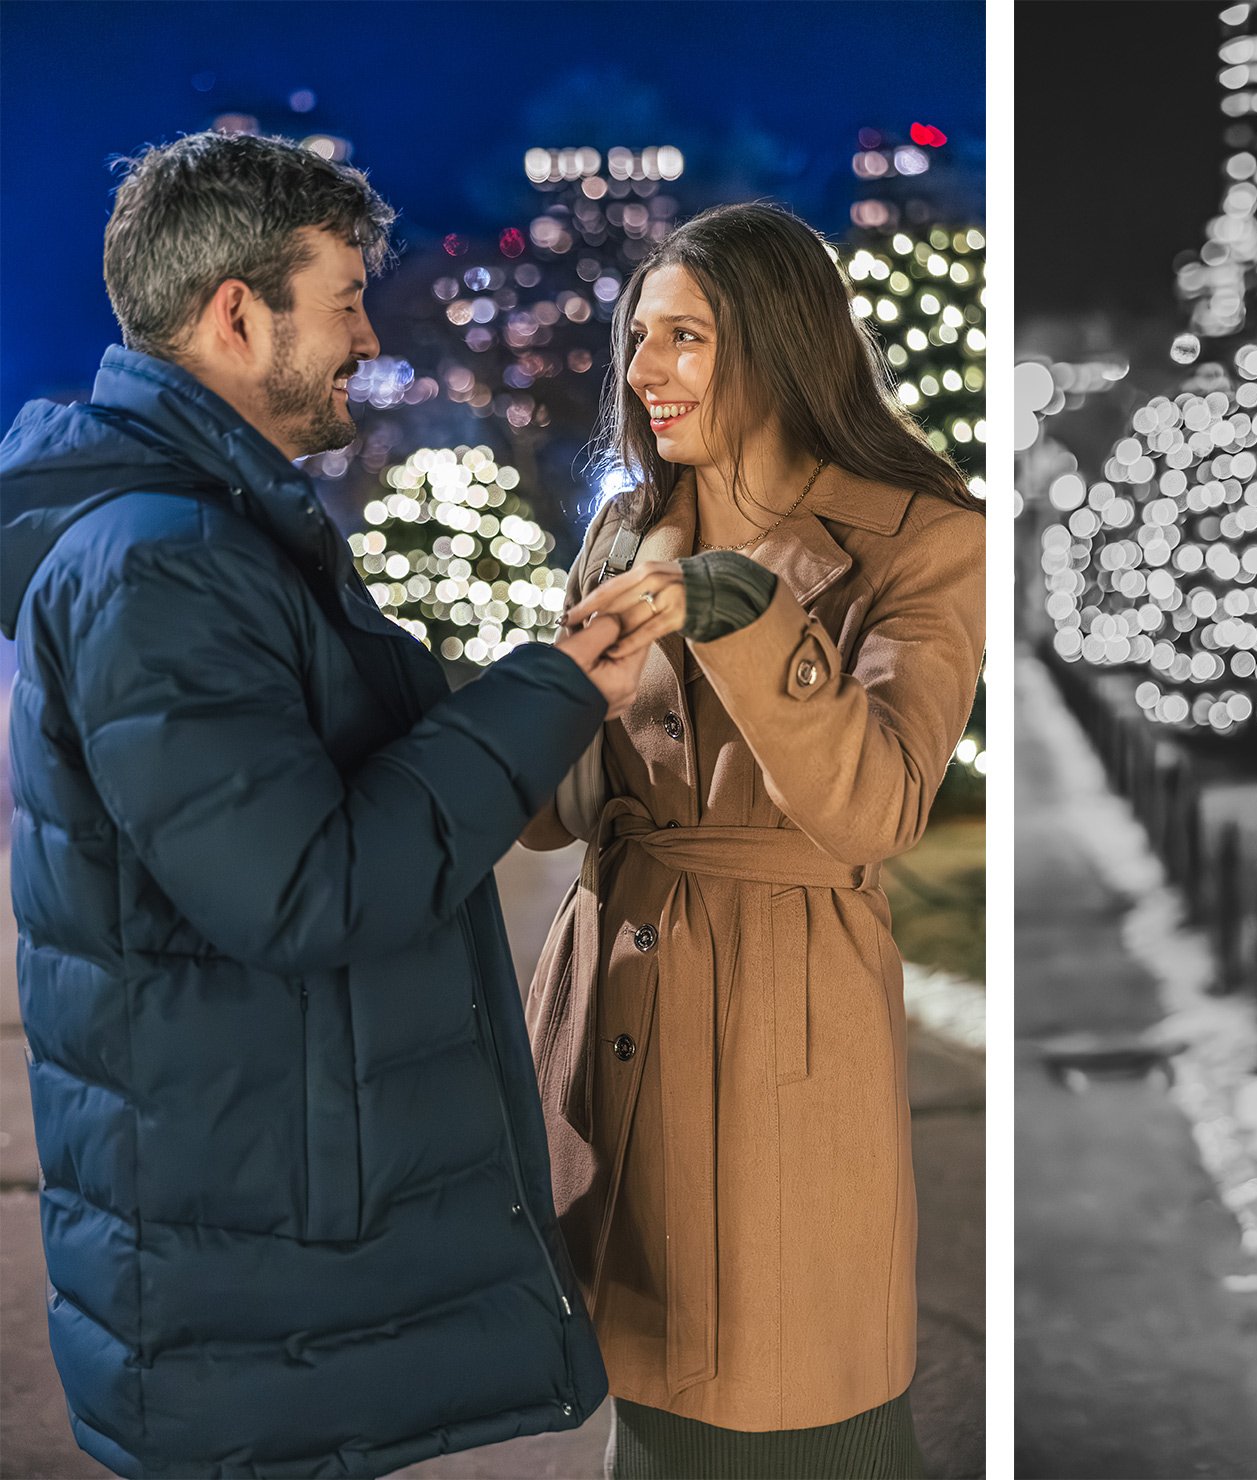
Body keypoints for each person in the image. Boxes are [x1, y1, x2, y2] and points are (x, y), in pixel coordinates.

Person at [0, 131, 637, 1475]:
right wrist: (556, 687)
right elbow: (307, 885)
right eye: (343, 296)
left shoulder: (201, 534)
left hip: (257, 1254)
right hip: (249, 1281)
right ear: (238, 314)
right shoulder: (159, 565)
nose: (368, 333)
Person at [517, 202, 984, 1479]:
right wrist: (514, 703)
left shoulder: (926, 538)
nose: (642, 369)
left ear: (779, 345)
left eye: (685, 337)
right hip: (604, 996)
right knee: (647, 1404)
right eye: (637, 337)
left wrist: (740, 607)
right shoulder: (625, 525)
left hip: (772, 1015)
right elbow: (560, 804)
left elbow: (878, 805)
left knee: (796, 1409)